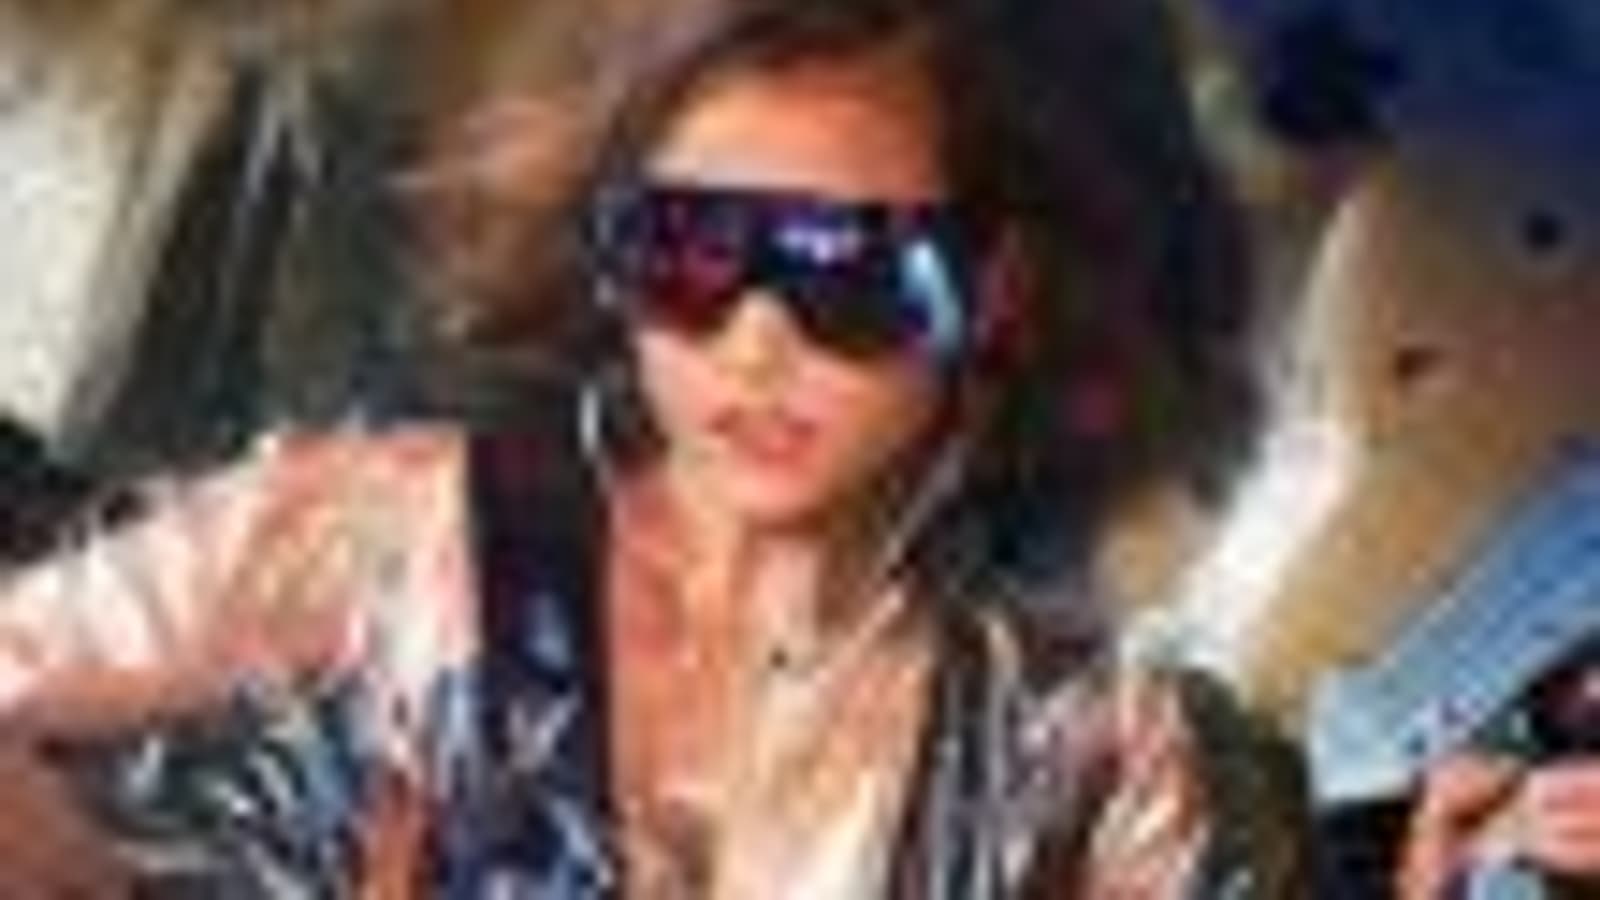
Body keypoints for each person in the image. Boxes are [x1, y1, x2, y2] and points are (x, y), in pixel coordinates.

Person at [0, 0, 1297, 895]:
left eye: (846, 269)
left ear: (997, 289)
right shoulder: (413, 533)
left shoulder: (1099, 753)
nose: (755, 344)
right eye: (691, 254)